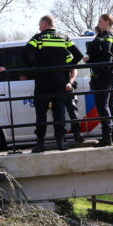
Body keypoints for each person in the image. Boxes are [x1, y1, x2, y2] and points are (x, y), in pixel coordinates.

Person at [24, 15, 83, 152]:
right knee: (59, 113)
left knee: (41, 114)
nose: (39, 28)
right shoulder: (64, 37)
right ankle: (61, 143)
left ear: (45, 24)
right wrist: (66, 67)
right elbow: (78, 55)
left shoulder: (38, 38)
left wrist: (34, 68)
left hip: (43, 80)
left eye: (40, 25)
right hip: (60, 80)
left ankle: (40, 144)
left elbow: (24, 54)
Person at [84, 14, 113, 146]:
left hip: (103, 75)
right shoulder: (112, 35)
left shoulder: (107, 35)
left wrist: (89, 59)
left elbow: (105, 54)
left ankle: (107, 137)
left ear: (107, 22)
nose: (98, 23)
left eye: (100, 21)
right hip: (110, 74)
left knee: (103, 106)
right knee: (111, 105)